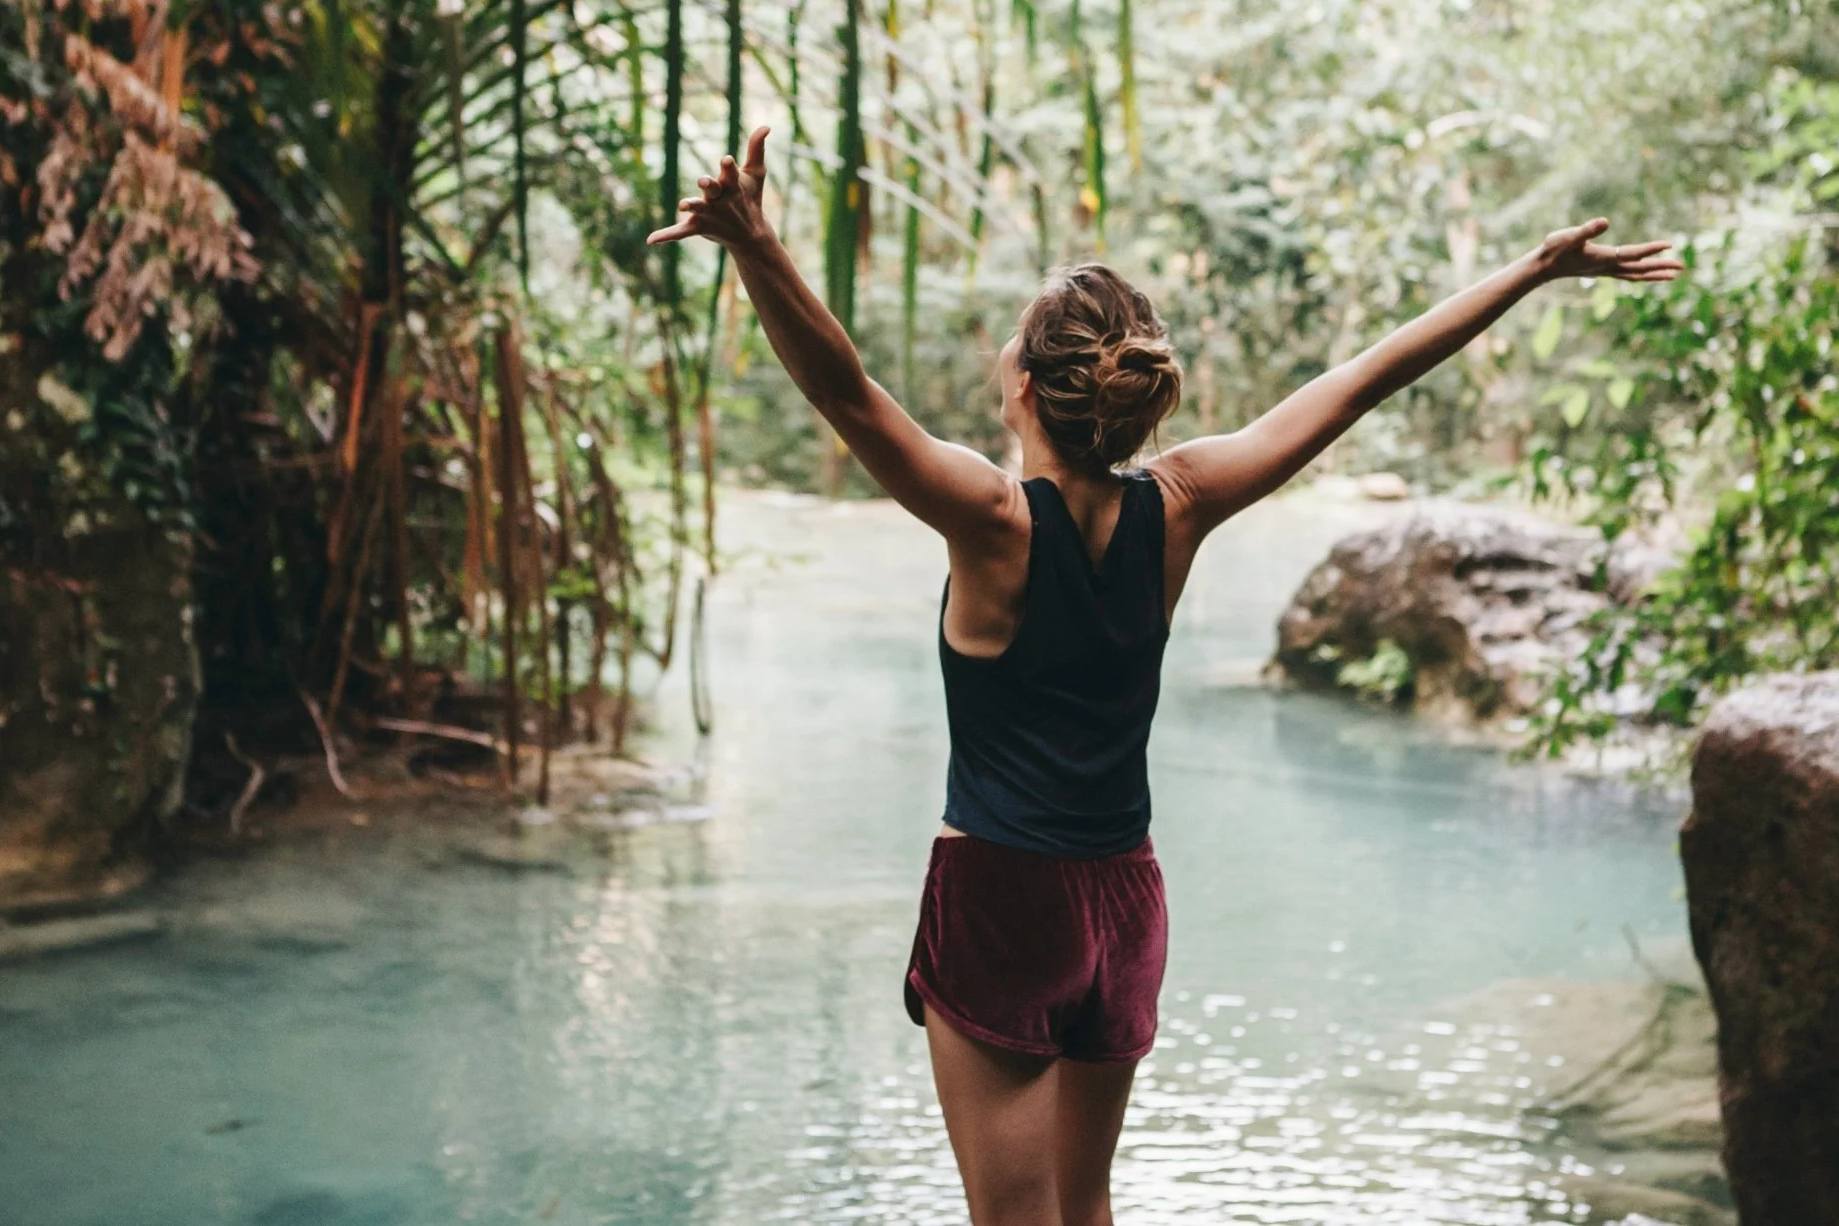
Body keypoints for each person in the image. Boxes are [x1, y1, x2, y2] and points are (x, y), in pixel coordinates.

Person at [649, 129, 1682, 1226]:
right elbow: (1351, 388)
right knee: (1084, 1208)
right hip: (1124, 901)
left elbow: (849, 396)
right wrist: (1528, 271)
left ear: (1031, 386)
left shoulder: (994, 522)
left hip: (1005, 899)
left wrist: (754, 241)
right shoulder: (1177, 503)